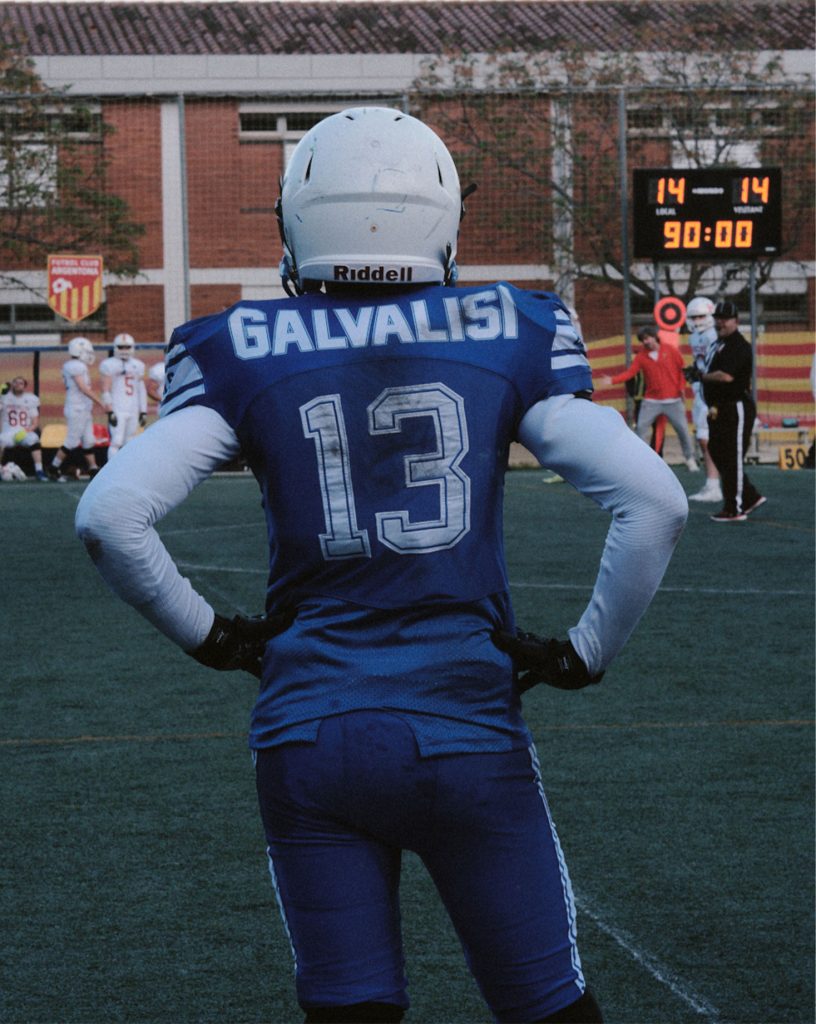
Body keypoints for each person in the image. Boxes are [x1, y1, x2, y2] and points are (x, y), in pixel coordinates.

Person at [75, 107, 688, 1024]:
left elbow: (109, 516)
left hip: (308, 734)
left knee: (350, 1011)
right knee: (546, 1008)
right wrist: (583, 653)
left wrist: (215, 639)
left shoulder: (236, 345)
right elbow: (656, 502)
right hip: (466, 729)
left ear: (297, 220)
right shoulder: (510, 326)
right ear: (441, 221)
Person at [688, 300, 766, 522]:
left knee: (732, 456)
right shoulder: (719, 343)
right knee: (717, 450)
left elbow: (726, 376)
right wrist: (697, 372)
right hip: (719, 407)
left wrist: (701, 376)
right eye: (718, 318)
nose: (720, 322)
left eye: (725, 319)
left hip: (735, 405)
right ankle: (750, 496)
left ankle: (734, 508)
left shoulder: (738, 345)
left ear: (736, 321)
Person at [599, 325, 699, 472]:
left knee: (683, 430)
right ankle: (639, 461)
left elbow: (681, 369)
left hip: (673, 400)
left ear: (654, 337)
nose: (646, 342)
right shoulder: (641, 357)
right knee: (640, 429)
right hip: (651, 401)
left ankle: (690, 459)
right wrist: (612, 380)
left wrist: (681, 388)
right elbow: (630, 373)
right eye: (643, 340)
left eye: (648, 338)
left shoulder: (670, 350)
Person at [49, 336, 110, 480]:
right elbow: (83, 388)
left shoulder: (74, 365)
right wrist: (101, 402)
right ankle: (53, 467)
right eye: (87, 352)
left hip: (82, 407)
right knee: (71, 441)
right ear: (79, 351)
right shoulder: (75, 366)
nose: (89, 355)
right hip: (76, 407)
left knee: (88, 440)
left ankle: (93, 468)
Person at [684, 296, 722, 503]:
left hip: (712, 391)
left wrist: (702, 376)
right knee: (702, 437)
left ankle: (715, 484)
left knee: (707, 437)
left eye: (701, 316)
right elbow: (700, 362)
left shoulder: (713, 335)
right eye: (694, 317)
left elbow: (716, 364)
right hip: (701, 391)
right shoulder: (694, 337)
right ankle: (712, 483)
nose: (697, 321)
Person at [99, 333, 148, 458]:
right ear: (115, 347)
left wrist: (143, 410)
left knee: (130, 442)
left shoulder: (138, 365)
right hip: (118, 408)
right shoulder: (109, 364)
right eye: (121, 347)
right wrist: (110, 410)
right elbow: (105, 389)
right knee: (116, 441)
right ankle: (111, 468)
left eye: (127, 347)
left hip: (133, 408)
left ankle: (127, 468)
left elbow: (141, 389)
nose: (124, 350)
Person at [0, 376, 48, 480]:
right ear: (12, 384)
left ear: (25, 386)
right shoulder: (4, 397)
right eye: (15, 382)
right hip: (8, 431)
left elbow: (35, 422)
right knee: (0, 440)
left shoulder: (30, 399)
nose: (18, 385)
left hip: (24, 431)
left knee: (34, 439)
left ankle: (39, 470)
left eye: (21, 383)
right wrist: (1, 394)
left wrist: (27, 431)